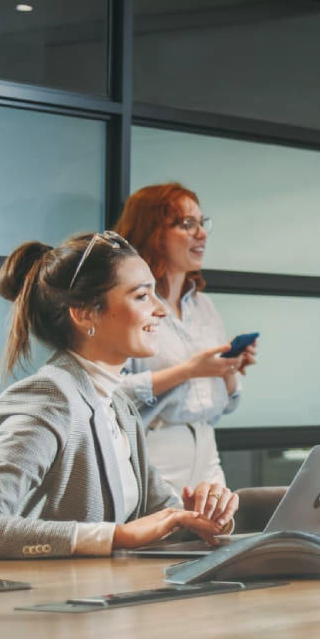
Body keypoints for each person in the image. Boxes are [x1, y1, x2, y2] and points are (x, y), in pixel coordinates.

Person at [0, 232, 239, 559]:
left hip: (110, 599)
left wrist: (202, 517)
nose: (161, 310)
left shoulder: (118, 403)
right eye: (141, 296)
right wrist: (116, 536)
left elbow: (161, 516)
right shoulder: (49, 398)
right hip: (52, 604)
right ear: (85, 314)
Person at [114, 183, 255, 490]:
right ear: (153, 233)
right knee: (159, 538)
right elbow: (111, 394)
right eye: (186, 225)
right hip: (154, 450)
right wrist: (189, 371)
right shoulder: (130, 305)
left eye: (202, 223)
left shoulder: (204, 305)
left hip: (207, 450)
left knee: (219, 537)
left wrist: (228, 369)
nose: (201, 234)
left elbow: (226, 404)